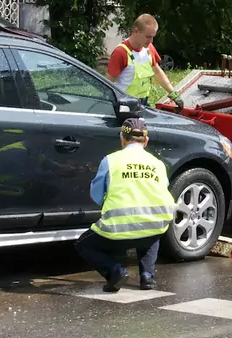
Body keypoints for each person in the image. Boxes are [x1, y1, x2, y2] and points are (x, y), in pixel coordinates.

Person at [75, 117, 176, 292]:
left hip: (117, 230)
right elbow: (162, 189)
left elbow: (96, 196)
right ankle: (147, 277)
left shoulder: (110, 160)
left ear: (122, 139)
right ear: (146, 141)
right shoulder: (157, 164)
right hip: (154, 227)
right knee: (152, 231)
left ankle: (116, 271)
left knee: (84, 244)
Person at [106, 14, 183, 109]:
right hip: (124, 105)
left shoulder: (149, 49)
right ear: (136, 30)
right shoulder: (120, 53)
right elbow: (108, 83)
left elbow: (157, 72)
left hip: (143, 102)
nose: (151, 41)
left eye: (153, 37)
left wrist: (173, 93)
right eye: (148, 37)